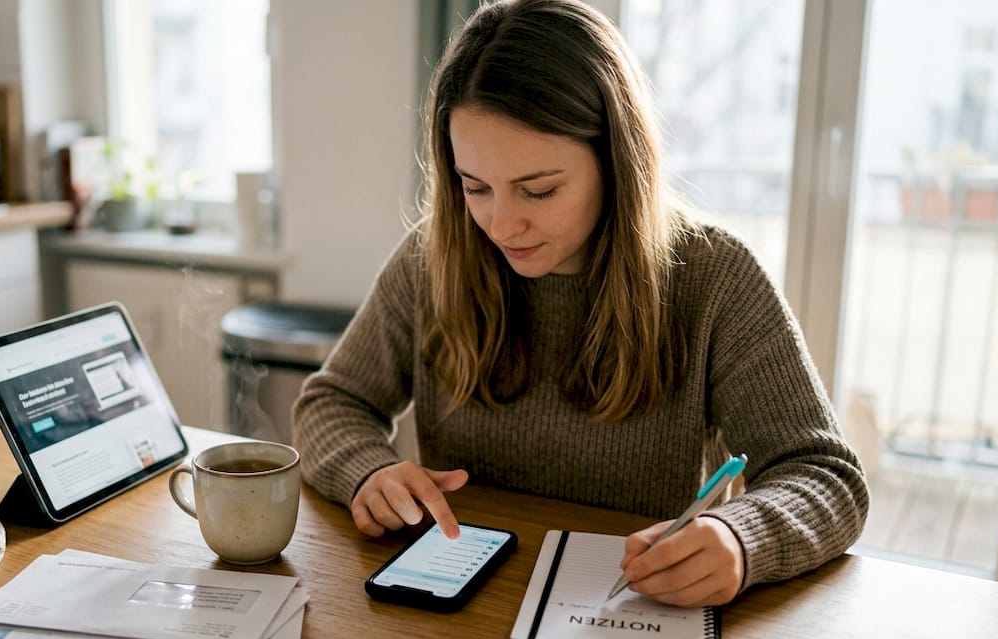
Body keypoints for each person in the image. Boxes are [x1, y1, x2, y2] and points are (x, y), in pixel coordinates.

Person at [292, 0, 868, 608]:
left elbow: (825, 476)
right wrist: (370, 471)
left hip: (633, 617)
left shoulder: (714, 277)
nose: (501, 223)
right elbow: (332, 403)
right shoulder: (436, 255)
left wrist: (739, 537)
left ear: (615, 163)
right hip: (463, 610)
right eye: (475, 186)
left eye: (538, 190)